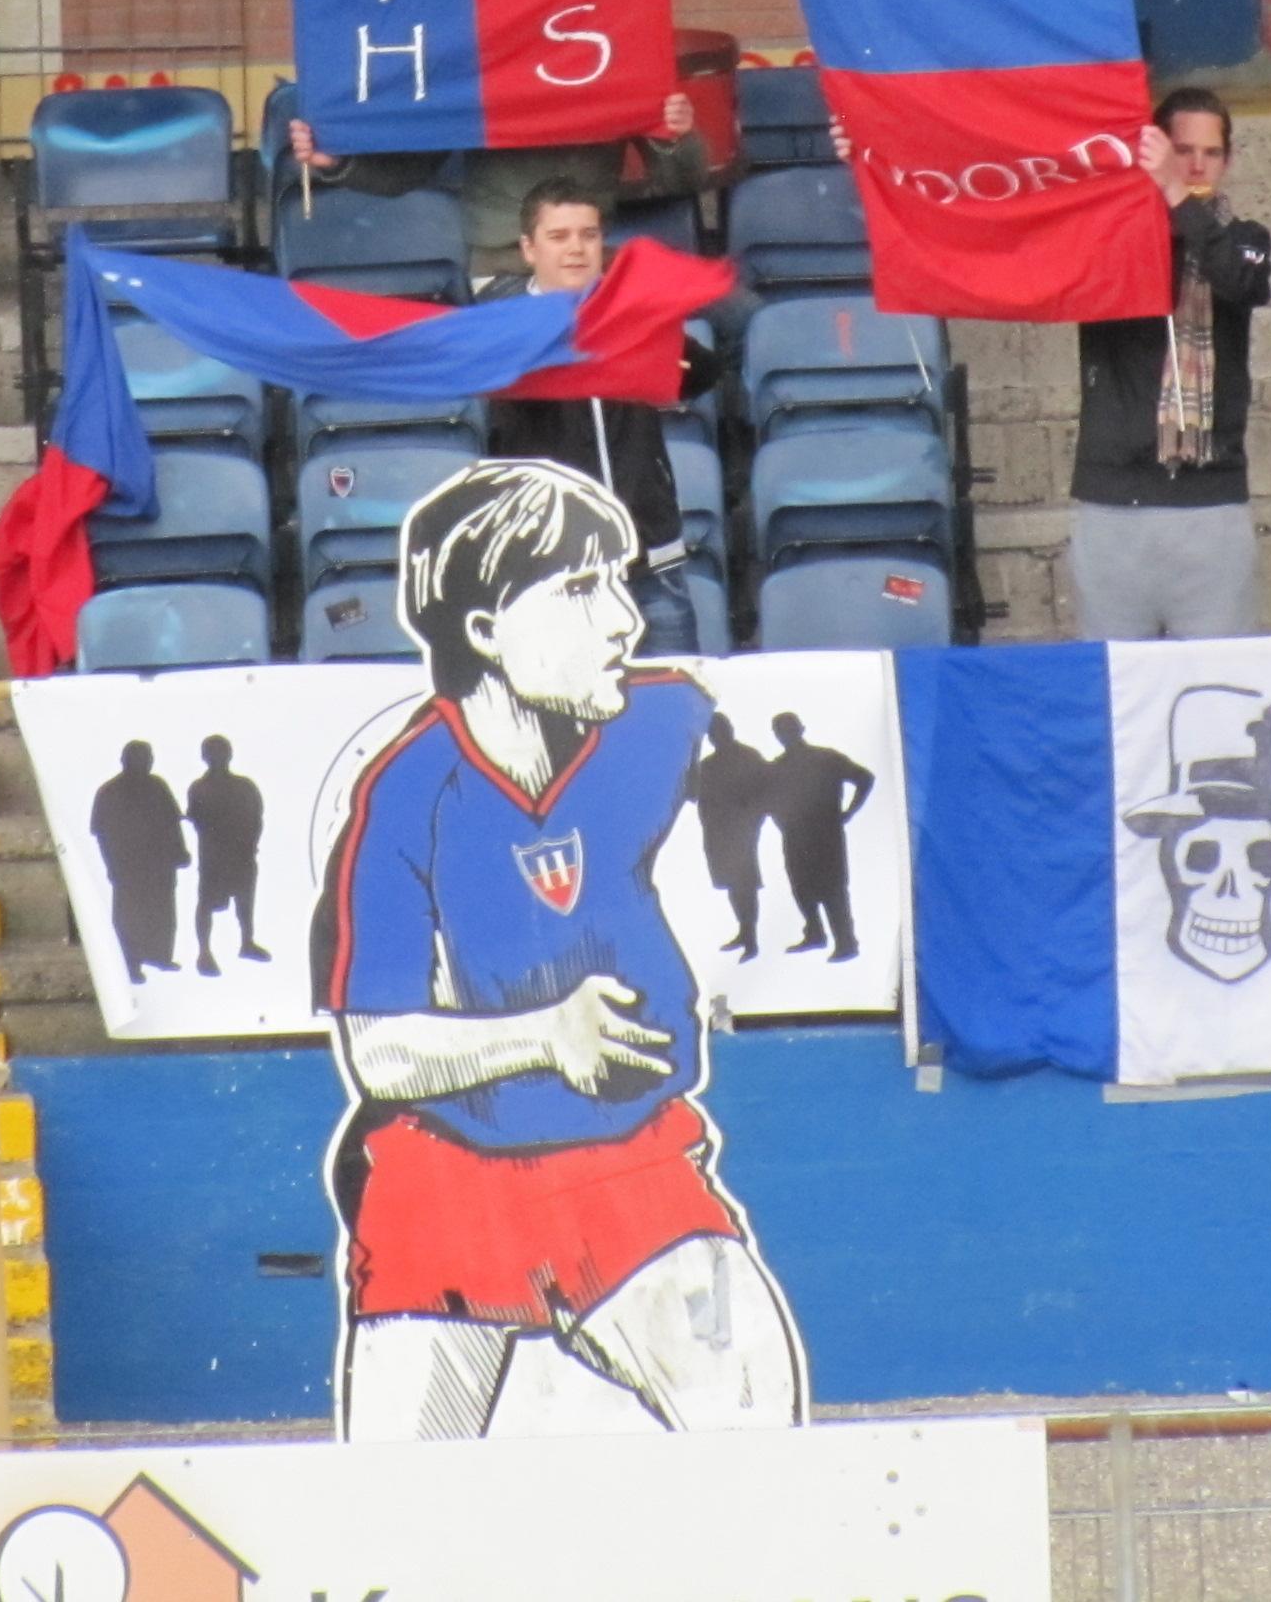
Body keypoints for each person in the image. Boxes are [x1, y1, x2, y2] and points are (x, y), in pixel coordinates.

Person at [314, 458, 804, 1438]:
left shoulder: (663, 721)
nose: (624, 621)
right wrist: (542, 1036)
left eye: (619, 583)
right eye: (581, 589)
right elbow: (379, 1052)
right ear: (484, 630)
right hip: (445, 1188)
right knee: (389, 1507)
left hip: (633, 1175)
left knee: (761, 1440)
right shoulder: (404, 795)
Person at [476, 177, 730, 648]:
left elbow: (703, 373)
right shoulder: (501, 325)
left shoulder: (629, 314)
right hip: (551, 572)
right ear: (529, 248)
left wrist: (656, 332)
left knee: (671, 693)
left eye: (588, 235)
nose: (576, 248)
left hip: (650, 561)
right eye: (559, 236)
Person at [1063, 86, 1271, 641]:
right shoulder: (1110, 237)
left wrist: (1176, 194)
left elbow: (1239, 281)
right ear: (1156, 152)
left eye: (1211, 152)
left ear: (1228, 160)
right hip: (1113, 504)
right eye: (1183, 151)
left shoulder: (1245, 239)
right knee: (1119, 687)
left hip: (1210, 504)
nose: (1198, 164)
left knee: (1218, 684)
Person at [283, 88, 708, 284]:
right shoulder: (477, 73)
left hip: (590, 260)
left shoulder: (613, 63)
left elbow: (684, 180)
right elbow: (407, 171)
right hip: (501, 267)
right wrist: (338, 162)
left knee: (721, 310)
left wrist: (674, 134)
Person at [759, 712, 875, 962]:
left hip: (826, 834)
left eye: (788, 729)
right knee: (802, 887)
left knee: (833, 888)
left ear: (800, 729)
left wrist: (849, 811)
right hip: (796, 837)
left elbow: (865, 778)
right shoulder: (776, 768)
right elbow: (767, 801)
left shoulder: (826, 758)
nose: (785, 735)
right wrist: (782, 822)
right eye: (780, 731)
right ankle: (815, 933)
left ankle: (846, 943)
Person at [89, 739, 186, 982]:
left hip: (160, 863)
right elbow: (100, 832)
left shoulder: (158, 786)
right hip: (128, 865)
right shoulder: (110, 791)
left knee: (162, 911)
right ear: (124, 760)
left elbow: (172, 822)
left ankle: (160, 956)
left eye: (147, 758)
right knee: (129, 916)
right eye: (140, 758)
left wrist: (180, 851)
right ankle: (130, 964)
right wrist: (111, 865)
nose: (145, 763)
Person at [184, 731, 270, 976]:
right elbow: (197, 818)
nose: (218, 757)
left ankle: (247, 942)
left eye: (221, 752)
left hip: (242, 854)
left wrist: (250, 843)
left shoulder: (244, 786)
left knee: (245, 902)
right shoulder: (199, 788)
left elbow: (256, 817)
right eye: (213, 753)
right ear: (205, 757)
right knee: (206, 903)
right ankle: (204, 951)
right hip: (214, 857)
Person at [686, 715, 770, 959]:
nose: (719, 736)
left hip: (741, 831)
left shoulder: (748, 757)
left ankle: (751, 937)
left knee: (745, 883)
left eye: (722, 730)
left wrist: (753, 818)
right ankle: (744, 931)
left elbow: (766, 789)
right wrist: (692, 757)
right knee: (732, 884)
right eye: (713, 732)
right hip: (716, 832)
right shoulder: (707, 765)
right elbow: (692, 794)